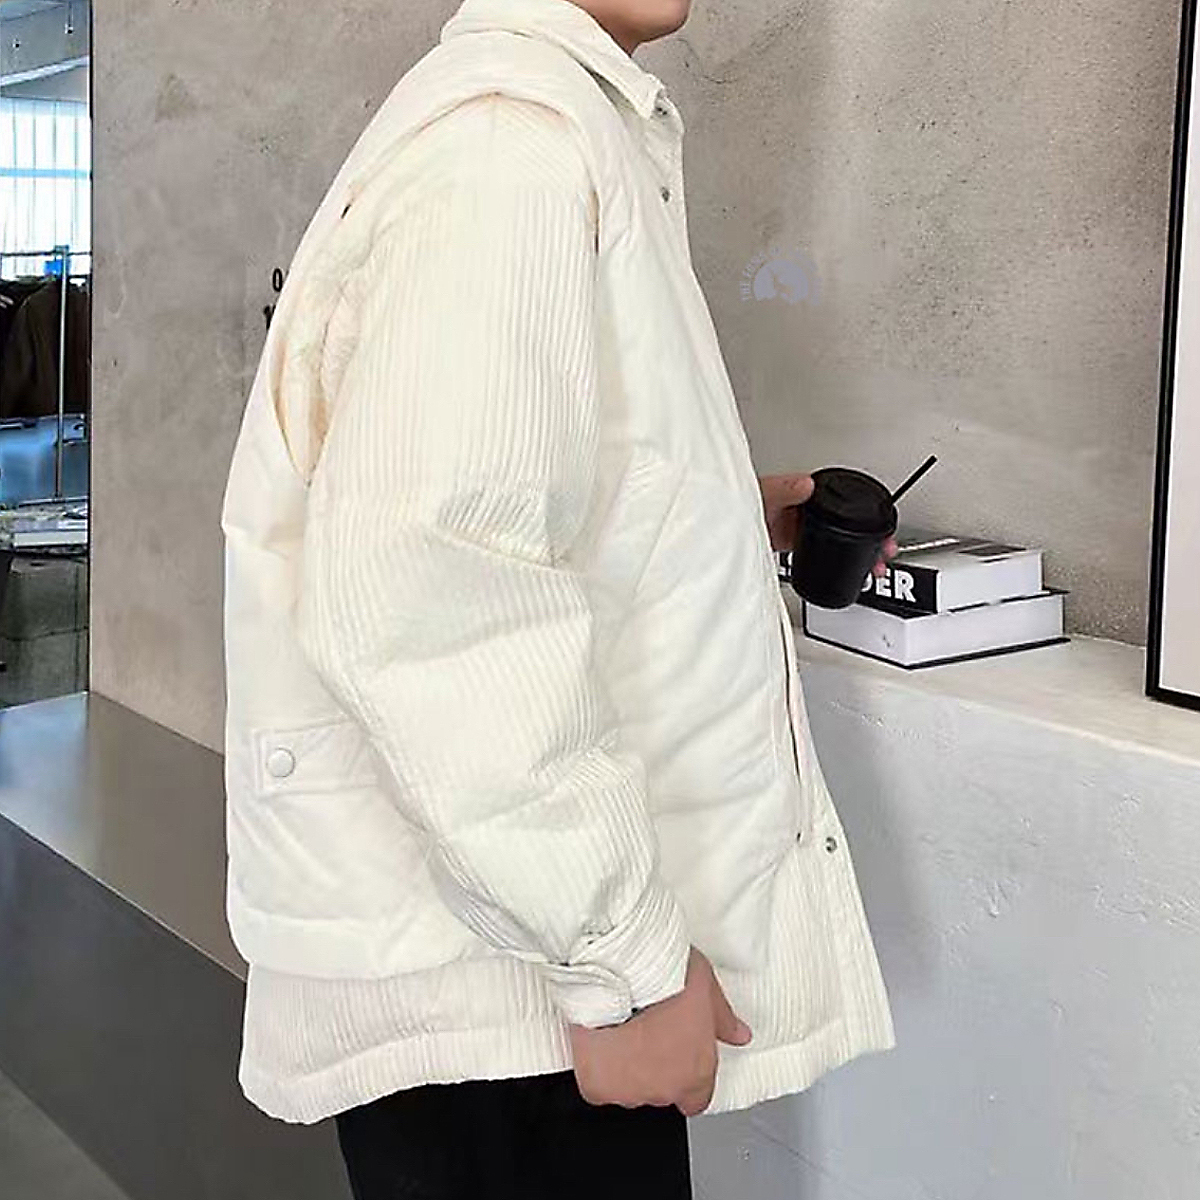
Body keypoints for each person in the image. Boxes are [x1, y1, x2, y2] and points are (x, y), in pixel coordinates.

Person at [220, 1, 896, 1196]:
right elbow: (426, 584)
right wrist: (625, 968)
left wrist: (717, 509)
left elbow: (486, 503)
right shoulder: (510, 148)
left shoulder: (543, 126)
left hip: (511, 968)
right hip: (515, 995)